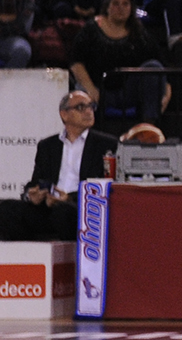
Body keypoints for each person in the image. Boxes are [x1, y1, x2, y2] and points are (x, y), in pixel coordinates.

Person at [0, 91, 113, 241]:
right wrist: (31, 195)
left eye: (91, 106)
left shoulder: (107, 145)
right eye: (81, 107)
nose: (88, 111)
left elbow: (106, 185)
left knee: (62, 212)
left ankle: (72, 261)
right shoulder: (47, 145)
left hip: (81, 208)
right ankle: (25, 258)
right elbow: (36, 182)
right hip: (48, 206)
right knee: (5, 208)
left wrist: (69, 198)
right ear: (64, 114)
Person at [70, 0, 167, 133]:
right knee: (81, 93)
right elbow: (76, 62)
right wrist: (91, 88)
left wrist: (166, 94)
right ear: (107, 7)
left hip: (127, 91)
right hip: (97, 89)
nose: (120, 8)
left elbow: (159, 64)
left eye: (125, 4)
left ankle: (148, 130)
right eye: (115, 3)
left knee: (152, 67)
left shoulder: (139, 33)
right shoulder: (91, 29)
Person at [0, 0, 34, 68]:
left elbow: (23, 23)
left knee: (21, 51)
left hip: (9, 38)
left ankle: (5, 84)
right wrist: (7, 18)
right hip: (8, 30)